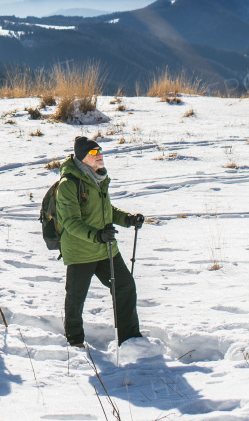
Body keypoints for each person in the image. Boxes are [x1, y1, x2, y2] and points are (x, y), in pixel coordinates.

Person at [55, 136, 145, 347]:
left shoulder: (98, 178)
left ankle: (130, 338)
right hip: (80, 251)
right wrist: (96, 235)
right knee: (76, 300)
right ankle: (75, 341)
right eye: (94, 153)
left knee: (125, 286)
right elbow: (70, 222)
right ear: (83, 158)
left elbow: (106, 211)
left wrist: (128, 219)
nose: (100, 156)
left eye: (100, 151)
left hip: (105, 249)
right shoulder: (69, 184)